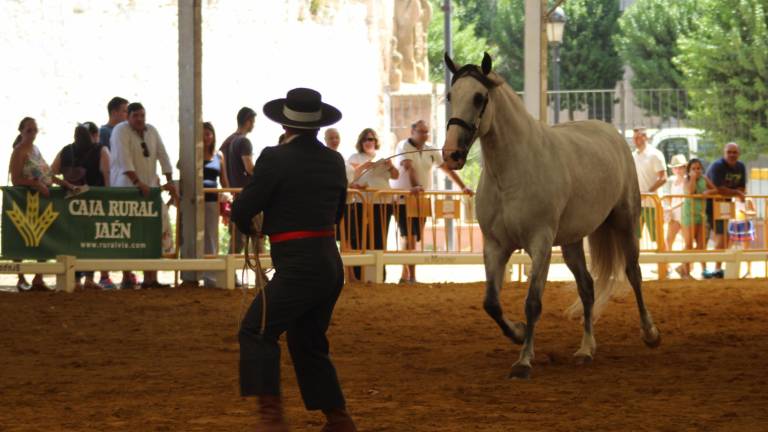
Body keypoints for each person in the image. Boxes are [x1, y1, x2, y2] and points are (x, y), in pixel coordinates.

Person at [232, 87, 356, 431]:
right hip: (329, 264)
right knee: (307, 341)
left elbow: (243, 208)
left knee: (256, 330)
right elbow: (337, 214)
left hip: (299, 265)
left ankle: (272, 419)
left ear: (285, 124)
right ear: (317, 125)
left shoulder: (274, 157)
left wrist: (253, 227)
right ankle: (338, 419)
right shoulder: (334, 160)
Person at [390, 120, 472, 283]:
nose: (424, 135)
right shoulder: (403, 146)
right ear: (412, 132)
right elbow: (409, 167)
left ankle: (405, 274)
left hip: (421, 199)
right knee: (409, 236)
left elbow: (446, 169)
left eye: (426, 132)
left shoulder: (430, 148)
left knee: (415, 237)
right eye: (421, 131)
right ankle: (409, 275)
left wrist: (463, 187)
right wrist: (417, 186)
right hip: (404, 198)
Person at [110, 102, 178, 289]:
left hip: (150, 190)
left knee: (154, 232)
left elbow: (163, 156)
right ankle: (126, 276)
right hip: (127, 191)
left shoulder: (152, 131)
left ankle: (151, 278)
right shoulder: (120, 131)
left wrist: (170, 180)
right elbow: (124, 160)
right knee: (127, 234)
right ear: (128, 117)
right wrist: (137, 183)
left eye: (142, 115)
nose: (140, 119)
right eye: (135, 116)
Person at [9, 117, 78, 291]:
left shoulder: (35, 149)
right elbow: (16, 179)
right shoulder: (18, 151)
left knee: (43, 236)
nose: (32, 133)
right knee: (21, 236)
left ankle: (38, 278)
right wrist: (36, 184)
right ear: (21, 131)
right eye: (29, 130)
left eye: (34, 130)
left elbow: (46, 173)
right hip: (23, 200)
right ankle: (21, 276)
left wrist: (65, 184)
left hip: (41, 200)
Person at [51, 124, 112, 289]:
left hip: (71, 205)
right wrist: (108, 199)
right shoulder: (101, 150)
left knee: (74, 241)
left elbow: (50, 174)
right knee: (91, 241)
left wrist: (64, 183)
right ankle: (87, 279)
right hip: (93, 204)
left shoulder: (66, 151)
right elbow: (107, 177)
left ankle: (77, 280)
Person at [347, 128, 399, 281]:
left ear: (376, 142)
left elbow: (396, 176)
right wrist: (364, 165)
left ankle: (379, 276)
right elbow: (351, 176)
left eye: (372, 139)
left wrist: (389, 165)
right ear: (361, 142)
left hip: (382, 202)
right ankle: (358, 275)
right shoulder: (355, 157)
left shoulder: (383, 157)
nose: (369, 142)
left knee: (379, 238)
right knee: (359, 238)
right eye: (366, 139)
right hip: (361, 202)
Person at [99, 97, 131, 289]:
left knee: (123, 232)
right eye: (125, 111)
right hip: (111, 187)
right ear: (114, 112)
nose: (126, 115)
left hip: (119, 186)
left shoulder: (125, 132)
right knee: (109, 232)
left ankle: (127, 272)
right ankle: (104, 274)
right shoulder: (105, 132)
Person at [703, 142, 747, 278]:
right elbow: (719, 189)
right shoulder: (718, 166)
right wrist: (735, 193)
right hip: (706, 205)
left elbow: (742, 189)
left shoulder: (740, 166)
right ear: (724, 153)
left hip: (725, 206)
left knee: (724, 238)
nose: (732, 155)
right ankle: (697, 269)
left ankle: (717, 269)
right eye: (729, 152)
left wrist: (732, 192)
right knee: (701, 240)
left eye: (734, 152)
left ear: (738, 154)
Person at [220, 107, 256, 260]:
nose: (253, 125)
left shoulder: (227, 142)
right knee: (257, 236)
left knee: (236, 239)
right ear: (248, 121)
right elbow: (249, 167)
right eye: (253, 122)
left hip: (234, 195)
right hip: (248, 194)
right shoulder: (244, 142)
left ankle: (229, 275)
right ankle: (260, 277)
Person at [679, 158, 716, 278]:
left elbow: (715, 189)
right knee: (688, 244)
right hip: (689, 215)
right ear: (689, 170)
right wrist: (693, 178)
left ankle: (704, 270)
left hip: (701, 214)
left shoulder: (704, 179)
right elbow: (690, 191)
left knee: (701, 245)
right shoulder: (686, 180)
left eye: (698, 168)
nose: (696, 171)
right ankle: (686, 271)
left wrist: (708, 193)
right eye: (693, 168)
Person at [202, 122, 228, 287]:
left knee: (211, 237)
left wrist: (230, 194)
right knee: (193, 237)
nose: (207, 137)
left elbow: (223, 180)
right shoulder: (193, 155)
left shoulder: (219, 156)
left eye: (209, 134)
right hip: (195, 201)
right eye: (204, 134)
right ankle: (192, 273)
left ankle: (210, 276)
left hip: (212, 201)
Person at [631, 127, 667, 244]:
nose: (635, 140)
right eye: (634, 138)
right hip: (636, 205)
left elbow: (663, 178)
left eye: (638, 137)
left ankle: (664, 262)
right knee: (634, 238)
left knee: (658, 238)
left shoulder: (655, 154)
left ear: (645, 137)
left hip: (653, 204)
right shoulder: (633, 155)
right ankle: (634, 263)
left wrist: (648, 193)